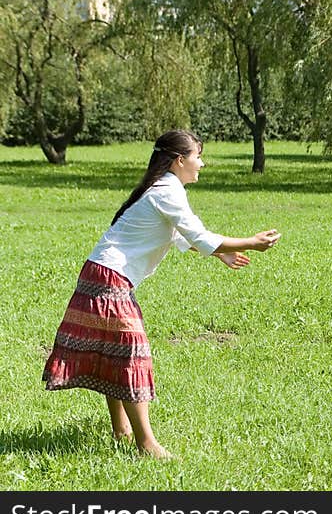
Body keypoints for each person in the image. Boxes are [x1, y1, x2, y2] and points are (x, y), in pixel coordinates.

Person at [42, 129, 281, 458]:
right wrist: (250, 242)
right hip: (108, 277)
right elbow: (197, 234)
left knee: (113, 353)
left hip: (103, 274)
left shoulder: (163, 188)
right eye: (198, 156)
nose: (202, 163)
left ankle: (122, 430)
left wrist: (219, 252)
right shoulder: (166, 190)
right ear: (180, 160)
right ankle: (146, 444)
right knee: (130, 353)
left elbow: (181, 236)